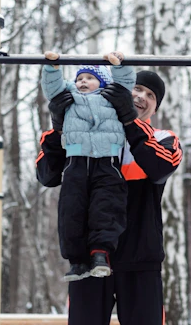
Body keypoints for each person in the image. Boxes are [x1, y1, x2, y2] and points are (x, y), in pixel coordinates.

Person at [36, 70, 182, 324]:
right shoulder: (79, 133)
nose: (141, 97)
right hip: (90, 260)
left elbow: (159, 169)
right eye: (136, 89)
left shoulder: (163, 139)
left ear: (155, 108)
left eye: (150, 95)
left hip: (140, 259)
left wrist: (128, 120)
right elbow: (47, 175)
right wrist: (60, 128)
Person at [41, 51, 136, 282]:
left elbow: (125, 82)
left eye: (89, 78)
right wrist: (52, 67)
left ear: (102, 82)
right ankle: (77, 261)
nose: (83, 82)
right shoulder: (70, 96)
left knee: (105, 207)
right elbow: (52, 88)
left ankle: (100, 253)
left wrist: (118, 64)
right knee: (72, 210)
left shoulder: (111, 96)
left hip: (107, 162)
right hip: (76, 161)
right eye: (79, 78)